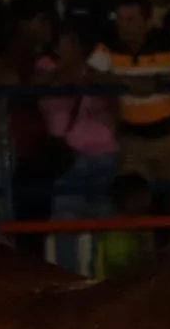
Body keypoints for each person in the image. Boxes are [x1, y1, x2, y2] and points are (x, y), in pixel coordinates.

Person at [90, 0, 170, 214]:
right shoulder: (108, 44)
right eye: (120, 20)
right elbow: (90, 74)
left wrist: (159, 81)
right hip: (134, 140)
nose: (123, 26)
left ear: (147, 21)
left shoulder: (166, 43)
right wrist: (126, 81)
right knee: (131, 205)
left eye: (131, 19)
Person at [36, 21, 119, 272]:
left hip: (105, 155)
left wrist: (91, 76)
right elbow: (36, 84)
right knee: (65, 220)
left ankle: (102, 278)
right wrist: (69, 71)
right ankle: (67, 278)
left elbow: (114, 103)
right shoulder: (45, 67)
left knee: (105, 217)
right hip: (69, 159)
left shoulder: (98, 68)